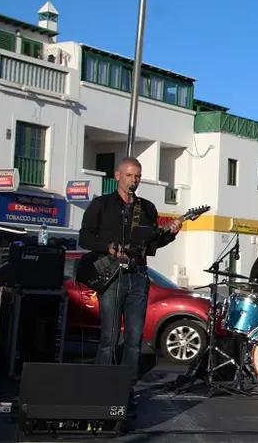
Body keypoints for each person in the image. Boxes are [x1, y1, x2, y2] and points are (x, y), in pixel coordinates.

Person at [78, 157, 181, 404]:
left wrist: (171, 235)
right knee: (110, 336)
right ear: (118, 176)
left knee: (135, 337)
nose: (134, 180)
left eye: (137, 176)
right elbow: (84, 237)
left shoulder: (146, 208)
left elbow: (152, 244)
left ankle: (127, 386)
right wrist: (110, 248)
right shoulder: (101, 205)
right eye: (129, 175)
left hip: (138, 275)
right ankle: (102, 384)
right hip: (112, 276)